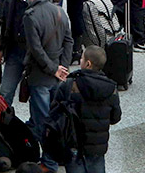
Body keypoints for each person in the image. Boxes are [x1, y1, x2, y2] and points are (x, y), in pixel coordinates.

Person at [21, 0, 73, 169]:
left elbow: (36, 50)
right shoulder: (60, 11)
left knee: (43, 121)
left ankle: (49, 162)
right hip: (59, 74)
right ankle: (59, 156)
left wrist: (52, 69)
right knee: (58, 118)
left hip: (41, 76)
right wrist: (64, 68)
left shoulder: (30, 16)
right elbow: (69, 40)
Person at [51, 45, 121, 173]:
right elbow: (115, 117)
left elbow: (55, 112)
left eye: (82, 58)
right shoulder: (111, 88)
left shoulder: (69, 84)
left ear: (88, 64)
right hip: (97, 147)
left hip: (74, 142)